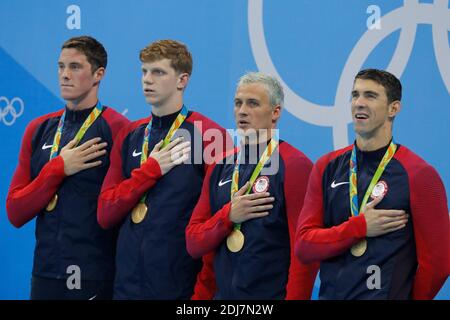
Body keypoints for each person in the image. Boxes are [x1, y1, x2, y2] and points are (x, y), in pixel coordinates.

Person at [295, 68, 449, 300]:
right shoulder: (326, 167)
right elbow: (305, 247)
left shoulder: (418, 175)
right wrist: (359, 227)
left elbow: (439, 264)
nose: (359, 103)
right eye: (355, 95)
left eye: (370, 96)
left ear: (393, 108)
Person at [97, 39, 231, 299]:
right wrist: (151, 170)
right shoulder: (130, 135)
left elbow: (218, 224)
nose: (147, 80)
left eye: (158, 72)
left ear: (182, 80)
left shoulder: (210, 136)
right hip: (126, 287)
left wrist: (202, 294)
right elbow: (105, 212)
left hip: (179, 288)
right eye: (144, 71)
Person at [6, 36, 129, 299]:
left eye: (74, 67)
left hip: (94, 274)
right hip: (45, 273)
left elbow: (123, 207)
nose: (64, 75)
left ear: (98, 74)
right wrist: (59, 167)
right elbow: (15, 211)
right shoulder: (38, 129)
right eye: (60, 66)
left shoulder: (118, 128)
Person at [185, 72, 319, 299]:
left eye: (253, 103)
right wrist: (228, 216)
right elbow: (194, 242)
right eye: (238, 103)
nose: (242, 111)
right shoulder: (220, 165)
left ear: (275, 112)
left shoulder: (295, 165)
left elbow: (303, 255)